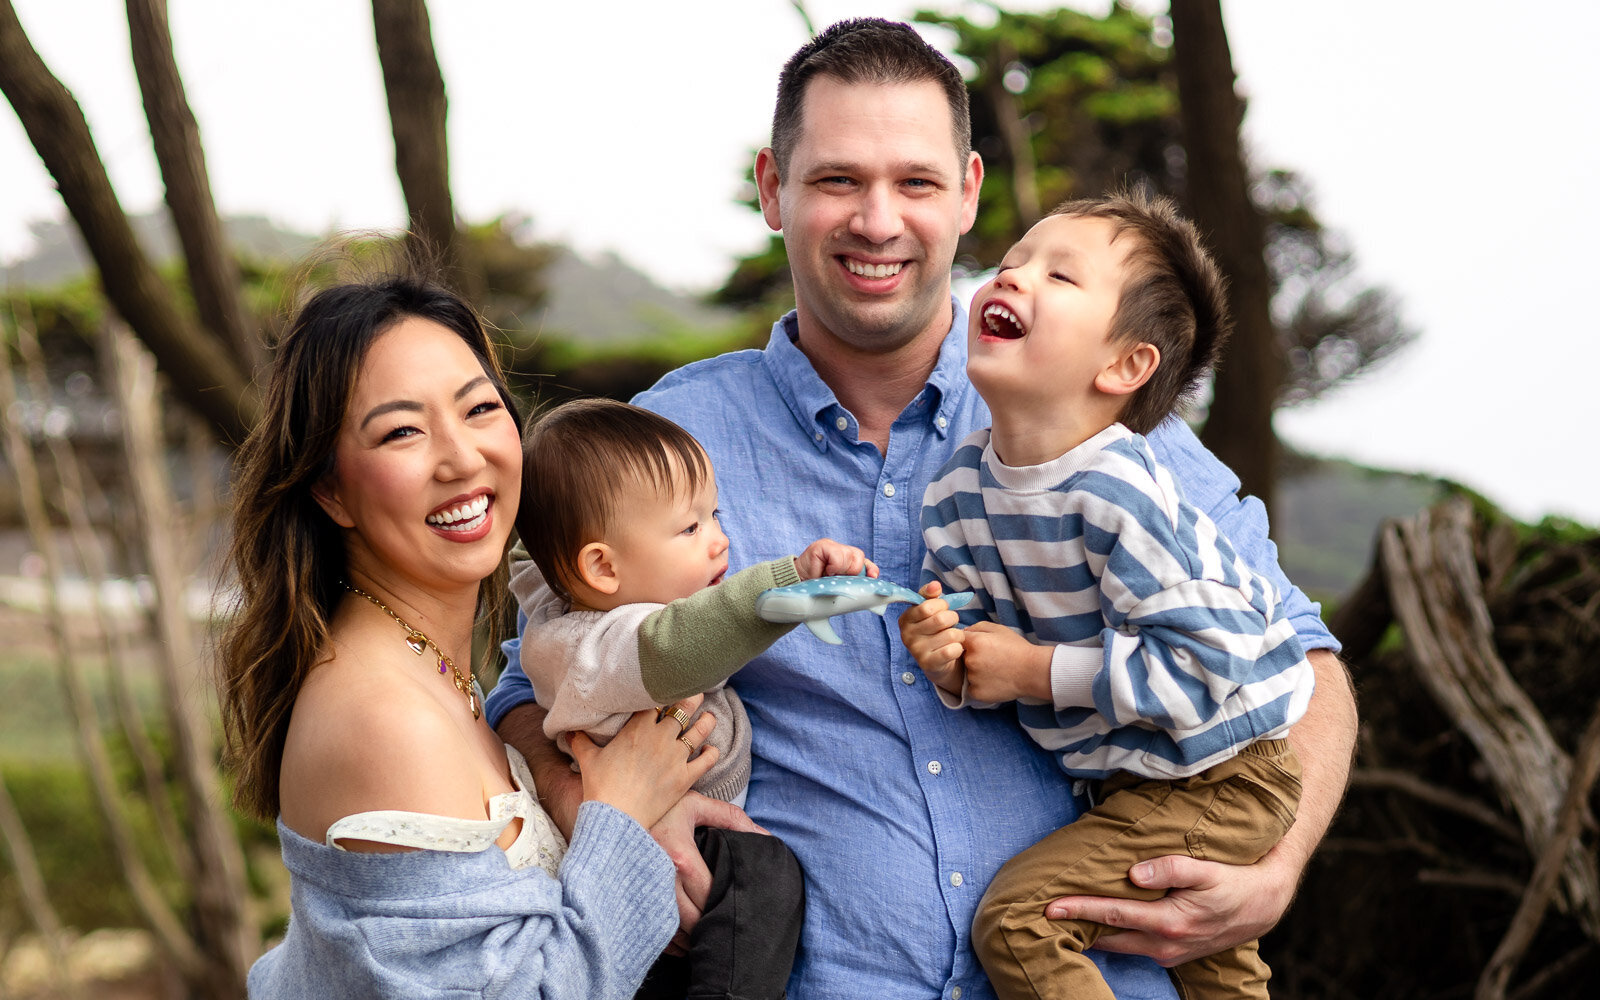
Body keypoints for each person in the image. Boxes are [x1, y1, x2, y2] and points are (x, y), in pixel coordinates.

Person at [488, 18, 1357, 1000]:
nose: (876, 220)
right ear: (774, 191)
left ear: (968, 194)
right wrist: (610, 809)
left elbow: (1299, 654)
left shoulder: (1100, 417)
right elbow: (529, 689)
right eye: (836, 181)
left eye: (914, 182)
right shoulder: (665, 442)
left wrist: (1273, 870)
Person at [216, 273, 735, 999]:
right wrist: (620, 815)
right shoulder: (382, 715)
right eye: (402, 431)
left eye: (480, 409)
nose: (462, 459)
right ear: (330, 490)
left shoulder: (431, 672)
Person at [898, 190, 1315, 1000]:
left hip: (1226, 771)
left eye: (1059, 275)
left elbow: (1206, 664)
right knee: (1221, 978)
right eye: (1013, 262)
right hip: (1140, 777)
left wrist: (1031, 672)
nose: (1012, 278)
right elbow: (987, 653)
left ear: (1124, 366)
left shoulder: (1120, 490)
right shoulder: (957, 492)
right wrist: (950, 656)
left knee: (1019, 922)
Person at [512, 397, 874, 998]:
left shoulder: (570, 602)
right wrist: (790, 585)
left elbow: (530, 559)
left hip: (670, 841)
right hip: (673, 838)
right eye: (691, 528)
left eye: (715, 516)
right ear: (602, 567)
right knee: (767, 877)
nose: (720, 541)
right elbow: (686, 642)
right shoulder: (604, 645)